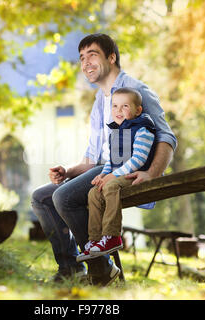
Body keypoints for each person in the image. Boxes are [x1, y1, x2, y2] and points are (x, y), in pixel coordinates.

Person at [31, 33, 177, 286]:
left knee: (63, 197)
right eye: (82, 58)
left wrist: (151, 173)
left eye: (92, 55)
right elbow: (92, 159)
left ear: (111, 58)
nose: (85, 62)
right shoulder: (100, 102)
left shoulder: (136, 91)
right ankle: (70, 269)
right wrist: (67, 171)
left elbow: (167, 137)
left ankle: (101, 271)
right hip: (104, 168)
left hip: (130, 172)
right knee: (41, 198)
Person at [76, 87, 156, 262]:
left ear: (138, 110)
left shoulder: (142, 130)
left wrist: (112, 177)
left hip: (135, 177)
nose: (118, 111)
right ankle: (95, 239)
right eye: (115, 106)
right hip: (118, 176)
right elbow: (111, 162)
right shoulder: (116, 132)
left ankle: (112, 236)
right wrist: (103, 175)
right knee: (94, 192)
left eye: (124, 106)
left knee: (111, 186)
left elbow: (138, 160)